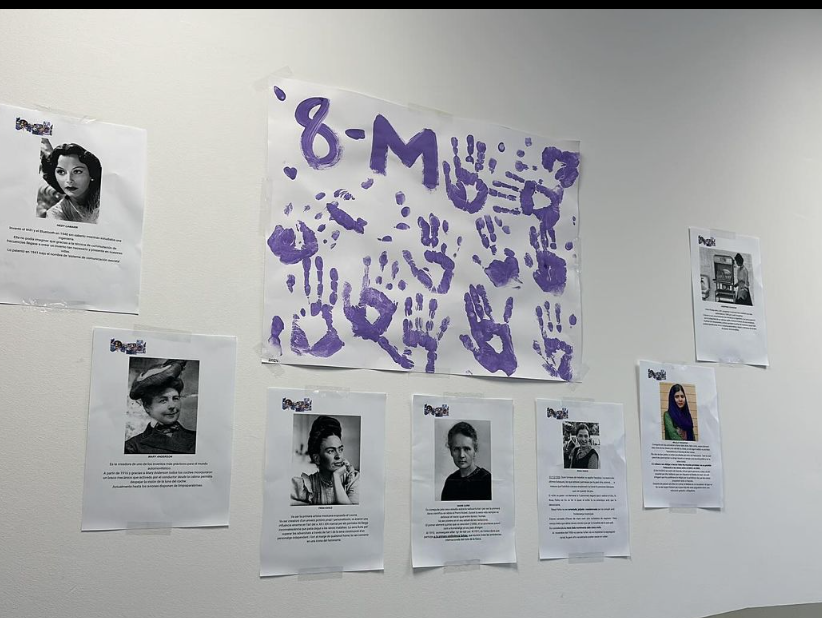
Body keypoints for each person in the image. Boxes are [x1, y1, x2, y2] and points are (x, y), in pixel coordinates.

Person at [124, 360, 196, 454]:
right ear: (147, 407)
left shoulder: (196, 439)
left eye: (175, 398)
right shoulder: (132, 447)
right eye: (163, 400)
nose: (172, 406)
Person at [291, 416, 359, 505]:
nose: (338, 456)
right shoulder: (307, 485)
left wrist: (336, 477)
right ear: (317, 458)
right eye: (331, 451)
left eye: (340, 449)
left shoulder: (353, 480)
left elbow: (350, 513)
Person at [39, 142, 102, 223]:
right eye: (61, 172)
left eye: (77, 171)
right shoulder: (55, 215)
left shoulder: (106, 194)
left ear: (91, 173)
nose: (69, 180)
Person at [441, 421, 492, 501]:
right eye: (456, 449)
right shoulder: (450, 481)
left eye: (467, 449)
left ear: (475, 450)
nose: (461, 455)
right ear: (451, 451)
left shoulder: (487, 480)